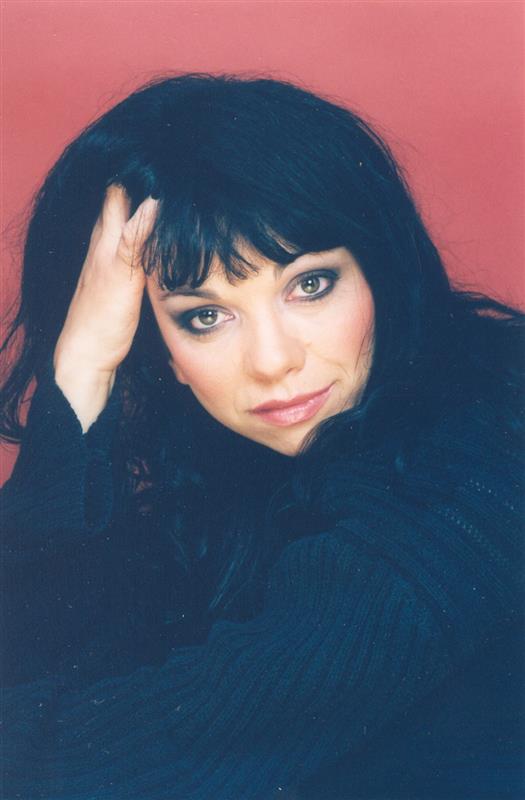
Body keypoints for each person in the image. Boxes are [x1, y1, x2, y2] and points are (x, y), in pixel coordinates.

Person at [0, 72, 523, 800]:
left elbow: (87, 765)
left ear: (379, 272)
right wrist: (85, 364)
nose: (273, 361)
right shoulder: (236, 482)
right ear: (156, 347)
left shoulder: (479, 468)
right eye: (205, 316)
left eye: (309, 285)